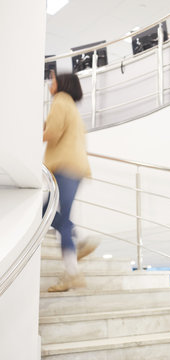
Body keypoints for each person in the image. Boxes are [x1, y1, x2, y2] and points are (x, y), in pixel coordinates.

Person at [43, 71, 98, 292]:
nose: (50, 84)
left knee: (47, 214)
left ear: (61, 84)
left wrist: (27, 135)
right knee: (48, 213)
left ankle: (72, 274)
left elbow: (53, 133)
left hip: (64, 167)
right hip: (76, 168)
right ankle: (77, 240)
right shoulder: (72, 108)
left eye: (53, 80)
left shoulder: (60, 101)